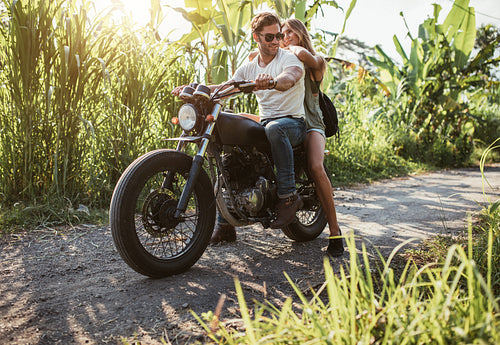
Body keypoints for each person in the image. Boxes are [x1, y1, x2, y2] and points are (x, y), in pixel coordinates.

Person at [213, 18, 345, 258]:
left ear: (301, 36)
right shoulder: (273, 57)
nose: (282, 39)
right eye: (275, 36)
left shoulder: (306, 60)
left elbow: (300, 63)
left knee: (316, 167)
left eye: (286, 35)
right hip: (274, 118)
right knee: (231, 124)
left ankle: (334, 231)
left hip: (308, 122)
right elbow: (231, 84)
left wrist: (286, 48)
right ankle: (225, 221)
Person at [175, 12, 307, 236]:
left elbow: (291, 77)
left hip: (292, 123)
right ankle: (225, 223)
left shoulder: (288, 59)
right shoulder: (249, 67)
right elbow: (228, 87)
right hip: (266, 123)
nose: (276, 41)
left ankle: (288, 198)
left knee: (275, 128)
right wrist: (195, 89)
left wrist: (273, 81)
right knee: (226, 153)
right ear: (256, 37)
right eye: (269, 37)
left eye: (278, 36)